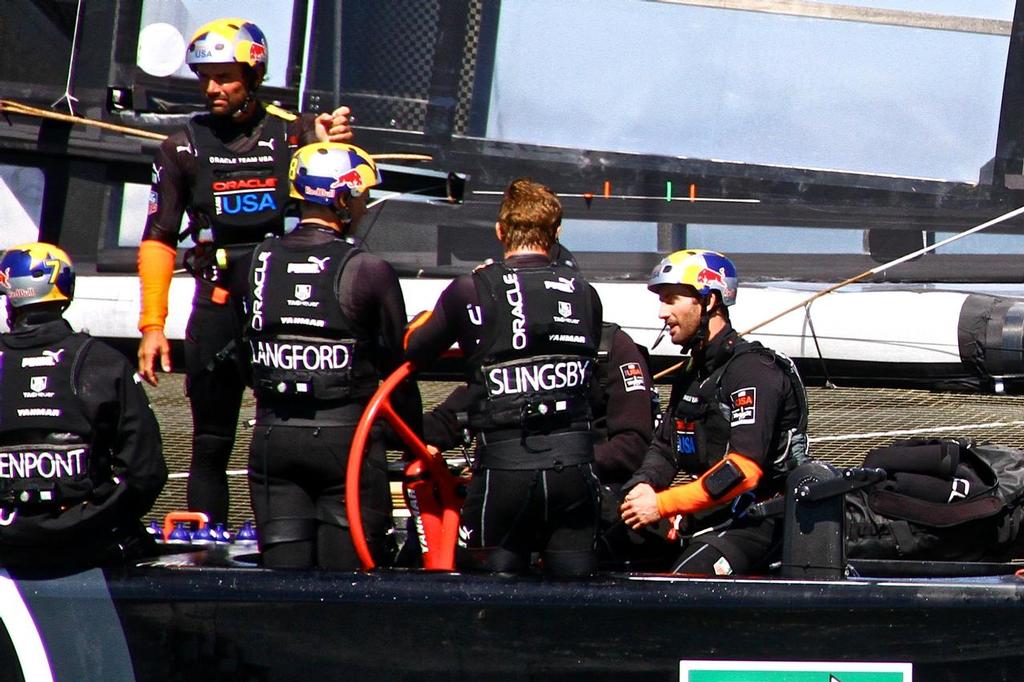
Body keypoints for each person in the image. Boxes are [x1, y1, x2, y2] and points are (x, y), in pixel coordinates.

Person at [135, 18, 355, 525]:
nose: (213, 88)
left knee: (282, 431)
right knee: (211, 441)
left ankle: (279, 544)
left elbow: (345, 203)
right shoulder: (181, 146)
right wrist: (152, 326)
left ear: (253, 74)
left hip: (282, 307)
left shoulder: (294, 132)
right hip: (215, 304)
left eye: (225, 76)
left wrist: (332, 147)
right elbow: (158, 239)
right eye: (205, 77)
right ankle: (203, 547)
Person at [418, 242, 667, 569]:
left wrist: (560, 459)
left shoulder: (610, 347)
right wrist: (387, 428)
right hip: (514, 489)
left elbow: (633, 444)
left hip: (588, 493)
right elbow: (451, 419)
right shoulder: (505, 352)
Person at [405, 178, 604, 577]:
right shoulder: (586, 293)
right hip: (577, 472)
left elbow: (411, 351)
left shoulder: (472, 289)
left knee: (491, 602)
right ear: (557, 233)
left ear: (500, 231)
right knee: (578, 603)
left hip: (505, 473)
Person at [243, 142, 420, 569]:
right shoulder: (368, 270)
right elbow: (399, 369)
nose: (365, 205)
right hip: (348, 444)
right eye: (360, 195)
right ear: (340, 199)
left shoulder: (255, 261)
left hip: (273, 440)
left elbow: (244, 357)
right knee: (347, 591)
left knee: (282, 590)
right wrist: (415, 443)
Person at [619, 249, 809, 575]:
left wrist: (663, 504)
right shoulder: (694, 371)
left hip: (759, 521)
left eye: (672, 299)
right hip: (708, 514)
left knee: (680, 585)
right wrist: (644, 485)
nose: (662, 313)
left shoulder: (752, 371)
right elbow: (666, 447)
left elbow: (743, 469)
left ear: (709, 302)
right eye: (661, 301)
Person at [0, 243, 167, 569]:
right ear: (66, 290)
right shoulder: (105, 362)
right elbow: (145, 471)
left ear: (11, 294)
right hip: (89, 545)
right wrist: (92, 516)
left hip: (7, 543)